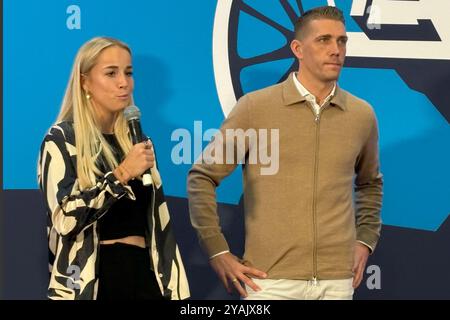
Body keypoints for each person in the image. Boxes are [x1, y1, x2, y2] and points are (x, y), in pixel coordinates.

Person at [188, 6, 383, 300]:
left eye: (342, 41)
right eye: (324, 40)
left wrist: (365, 240)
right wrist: (216, 250)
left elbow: (370, 183)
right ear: (297, 49)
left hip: (337, 283)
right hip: (269, 282)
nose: (336, 50)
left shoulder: (361, 114)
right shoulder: (256, 108)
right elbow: (202, 177)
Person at [38, 36, 190, 300]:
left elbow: (158, 225)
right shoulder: (62, 139)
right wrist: (121, 175)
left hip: (144, 277)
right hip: (92, 283)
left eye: (128, 73)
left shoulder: (137, 140)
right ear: (85, 81)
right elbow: (64, 219)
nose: (124, 83)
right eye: (111, 73)